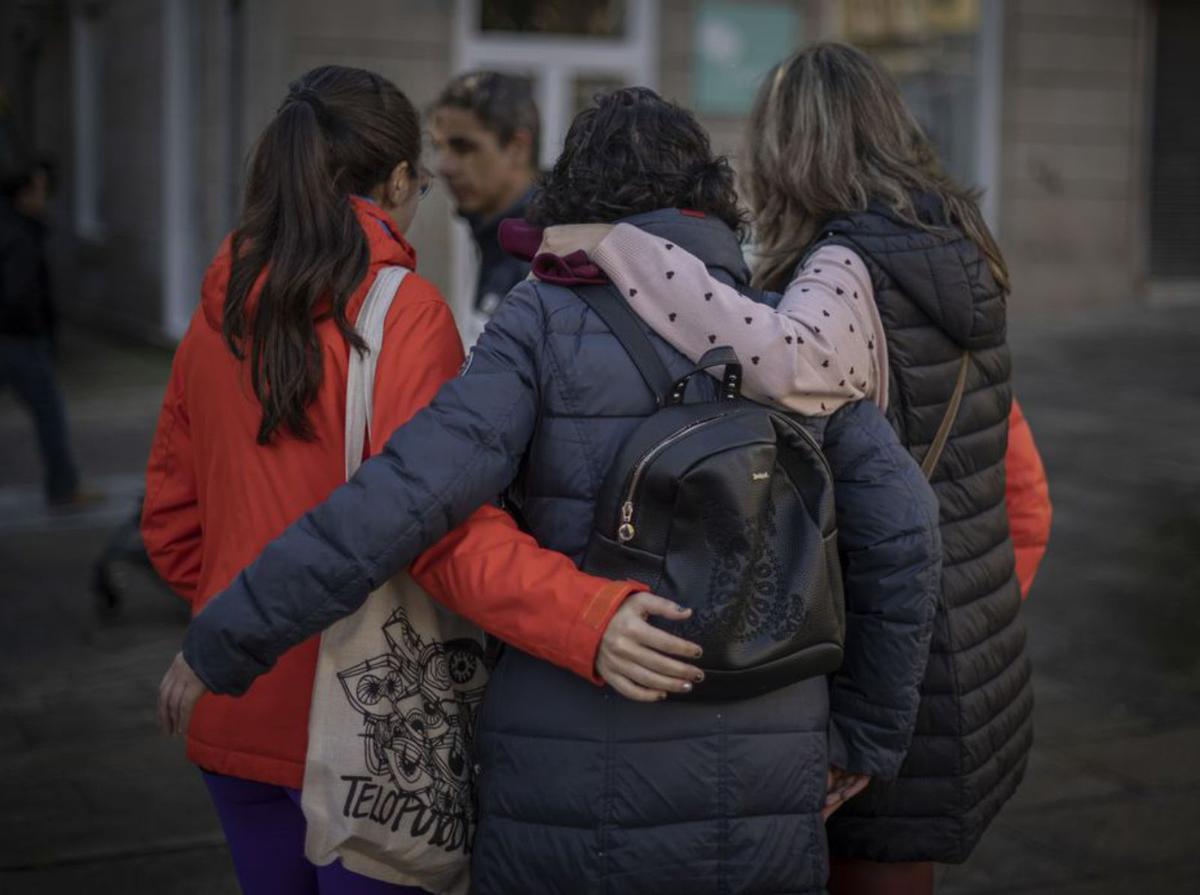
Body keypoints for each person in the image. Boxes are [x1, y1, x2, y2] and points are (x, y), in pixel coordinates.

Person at [162, 87, 943, 893]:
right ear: (707, 204)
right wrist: (860, 742)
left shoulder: (539, 319)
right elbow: (908, 527)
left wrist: (228, 635)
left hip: (563, 780)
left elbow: (405, 493)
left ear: (574, 202)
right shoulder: (780, 333)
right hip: (768, 764)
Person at [141, 67, 702, 895]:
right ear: (398, 180)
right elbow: (440, 530)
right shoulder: (401, 311)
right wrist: (584, 618)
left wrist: (236, 596)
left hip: (228, 699)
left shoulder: (215, 313)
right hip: (369, 723)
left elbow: (170, 525)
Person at [539, 43, 1052, 894]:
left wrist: (624, 250)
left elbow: (781, 359)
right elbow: (1016, 482)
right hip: (970, 642)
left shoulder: (850, 264)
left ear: (795, 151)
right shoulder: (954, 251)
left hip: (902, 670)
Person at [0, 156, 95, 506]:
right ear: (22, 194)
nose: (45, 197)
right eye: (39, 190)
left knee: (48, 412)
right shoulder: (20, 234)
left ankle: (63, 484)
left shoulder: (18, 227)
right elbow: (19, 293)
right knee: (50, 413)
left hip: (16, 338)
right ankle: (63, 486)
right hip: (21, 341)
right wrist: (37, 333)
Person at [428, 71, 539, 342]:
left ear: (517, 148)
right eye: (438, 147)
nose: (444, 166)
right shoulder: (491, 233)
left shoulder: (547, 256)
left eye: (463, 148)